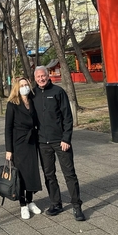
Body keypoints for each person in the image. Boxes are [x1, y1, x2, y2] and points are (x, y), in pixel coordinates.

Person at [33, 65, 85, 221]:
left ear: (48, 76)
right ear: (35, 79)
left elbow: (68, 117)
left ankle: (77, 206)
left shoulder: (58, 92)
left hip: (60, 141)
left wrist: (66, 138)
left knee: (69, 174)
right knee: (49, 175)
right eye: (38, 77)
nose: (41, 79)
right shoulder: (33, 94)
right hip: (42, 142)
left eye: (43, 76)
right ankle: (56, 203)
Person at [5, 77, 42, 220]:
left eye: (26, 84)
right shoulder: (12, 104)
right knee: (20, 175)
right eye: (21, 85)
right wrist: (9, 149)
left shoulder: (33, 101)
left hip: (32, 142)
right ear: (17, 88)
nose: (24, 87)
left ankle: (30, 200)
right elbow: (8, 128)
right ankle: (22, 205)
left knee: (32, 172)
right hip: (18, 143)